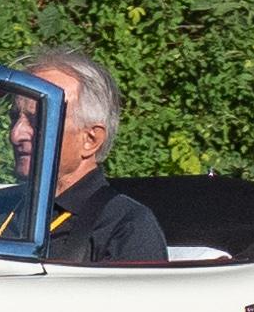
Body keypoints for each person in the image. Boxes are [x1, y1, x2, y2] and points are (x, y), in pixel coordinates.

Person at [9, 44, 167, 263]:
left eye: (38, 120)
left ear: (90, 140)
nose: (16, 134)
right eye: (14, 118)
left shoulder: (125, 227)